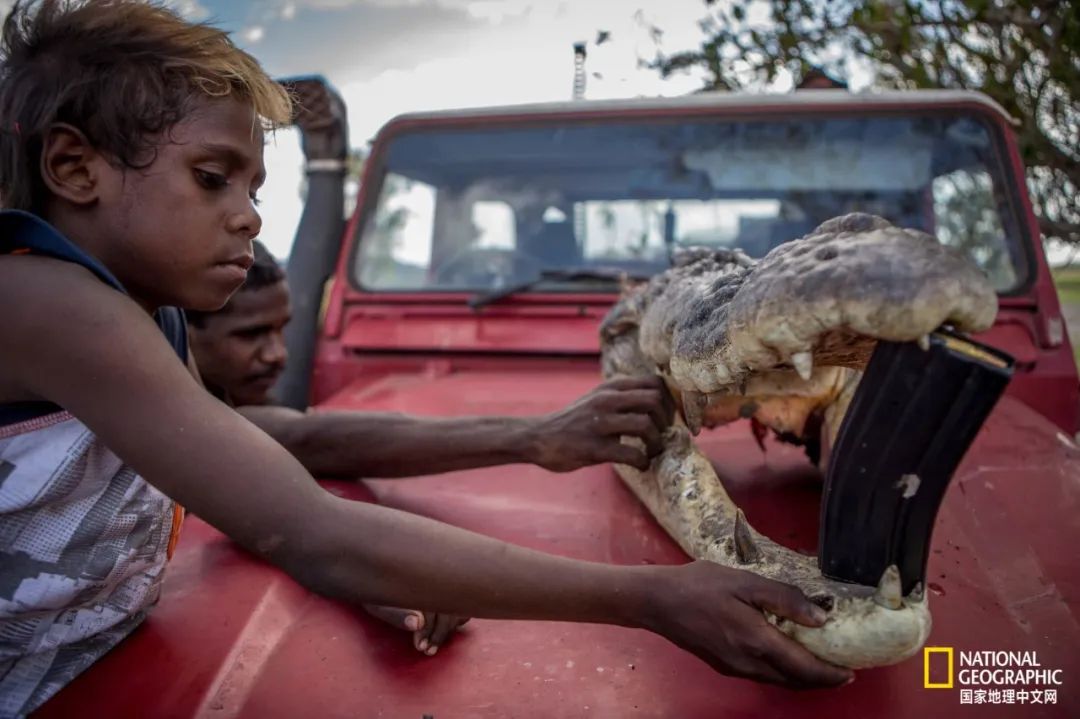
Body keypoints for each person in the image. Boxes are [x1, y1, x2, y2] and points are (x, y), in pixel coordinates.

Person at [0, 1, 852, 715]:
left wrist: (531, 441)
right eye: (214, 178)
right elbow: (303, 524)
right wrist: (654, 596)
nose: (250, 216)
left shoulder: (139, 319)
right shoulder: (45, 303)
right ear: (75, 167)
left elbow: (278, 448)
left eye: (256, 189)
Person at [187, 240, 693, 652]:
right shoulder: (161, 417)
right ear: (181, 329)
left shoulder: (230, 404)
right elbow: (299, 439)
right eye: (251, 334)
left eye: (283, 330)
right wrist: (534, 437)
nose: (277, 354)